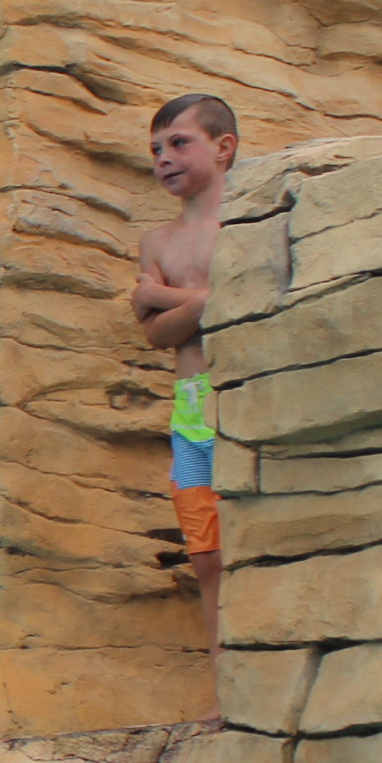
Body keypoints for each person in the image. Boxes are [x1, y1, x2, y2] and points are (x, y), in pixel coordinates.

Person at [133, 94, 238, 648]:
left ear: (224, 148)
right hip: (192, 409)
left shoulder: (245, 223)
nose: (164, 159)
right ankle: (225, 683)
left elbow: (242, 305)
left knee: (254, 539)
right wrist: (205, 303)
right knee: (207, 555)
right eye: (156, 150)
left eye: (178, 143)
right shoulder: (156, 242)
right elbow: (156, 334)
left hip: (243, 397)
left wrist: (165, 297)